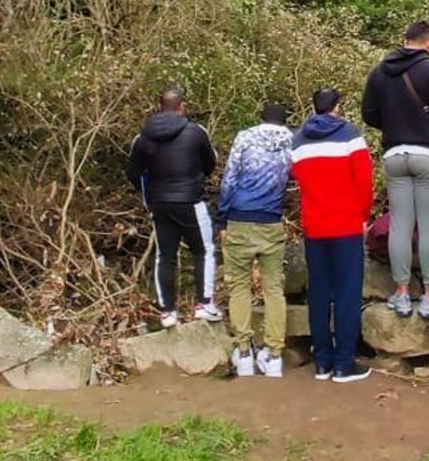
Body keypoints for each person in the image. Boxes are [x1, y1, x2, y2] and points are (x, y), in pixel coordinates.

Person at [361, 19, 429, 320]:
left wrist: (394, 125)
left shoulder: (379, 72)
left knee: (400, 225)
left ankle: (402, 294)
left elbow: (369, 114)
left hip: (394, 154)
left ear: (405, 40)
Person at [290, 88, 375, 383]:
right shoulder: (350, 135)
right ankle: (344, 363)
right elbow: (364, 181)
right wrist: (364, 215)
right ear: (337, 107)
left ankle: (322, 361)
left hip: (315, 225)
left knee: (319, 293)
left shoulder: (298, 140)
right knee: (347, 293)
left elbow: (297, 177)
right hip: (346, 223)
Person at [127, 86, 221, 328]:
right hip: (191, 201)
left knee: (165, 255)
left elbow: (133, 173)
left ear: (160, 108)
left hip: (160, 204)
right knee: (204, 250)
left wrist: (151, 193)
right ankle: (204, 304)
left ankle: (168, 312)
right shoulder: (196, 132)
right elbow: (210, 163)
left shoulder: (142, 137)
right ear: (182, 107)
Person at [215, 101, 294, 378]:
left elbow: (229, 180)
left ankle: (244, 353)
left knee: (239, 287)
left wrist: (221, 217)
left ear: (260, 118)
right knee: (274, 290)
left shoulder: (245, 138)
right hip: (271, 221)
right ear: (284, 121)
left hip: (239, 219)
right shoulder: (291, 144)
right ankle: (273, 355)